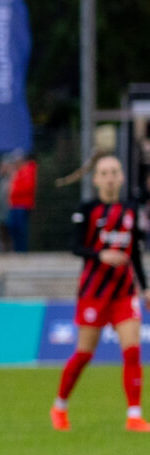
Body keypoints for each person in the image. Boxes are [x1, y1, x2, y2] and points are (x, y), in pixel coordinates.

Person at [52, 153, 150, 432]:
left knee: (132, 351)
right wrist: (101, 255)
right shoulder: (87, 209)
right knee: (84, 354)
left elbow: (135, 254)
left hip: (124, 293)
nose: (109, 178)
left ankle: (134, 416)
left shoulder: (130, 210)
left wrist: (145, 288)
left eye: (114, 172)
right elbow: (76, 247)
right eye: (104, 173)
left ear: (121, 178)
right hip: (94, 293)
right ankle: (59, 406)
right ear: (96, 179)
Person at [5, 151, 37, 253]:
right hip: (14, 204)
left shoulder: (28, 170)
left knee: (21, 229)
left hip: (23, 204)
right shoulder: (17, 172)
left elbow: (27, 187)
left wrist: (14, 191)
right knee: (13, 228)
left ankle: (22, 250)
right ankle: (17, 249)